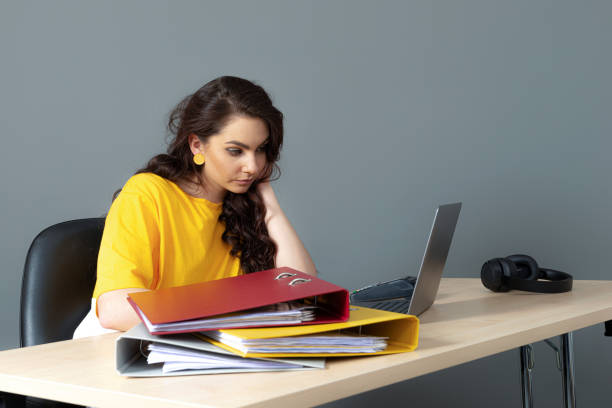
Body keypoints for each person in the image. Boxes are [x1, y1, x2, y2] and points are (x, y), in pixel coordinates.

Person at [73, 76, 316, 337]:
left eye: (261, 149)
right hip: (126, 353)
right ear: (197, 145)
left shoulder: (244, 207)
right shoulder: (147, 193)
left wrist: (270, 205)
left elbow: (303, 294)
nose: (253, 166)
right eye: (236, 151)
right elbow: (115, 310)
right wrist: (228, 313)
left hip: (205, 352)